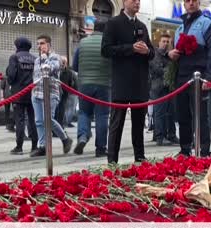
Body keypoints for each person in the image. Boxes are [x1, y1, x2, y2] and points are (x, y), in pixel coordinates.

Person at [102, 0, 155, 163]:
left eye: (139, 0)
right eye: (133, 0)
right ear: (124, 2)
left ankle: (139, 156)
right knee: (117, 123)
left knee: (139, 123)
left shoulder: (142, 26)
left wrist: (147, 51)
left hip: (140, 82)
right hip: (122, 82)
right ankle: (112, 160)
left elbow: (152, 53)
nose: (137, 3)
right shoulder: (113, 23)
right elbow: (105, 50)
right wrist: (130, 48)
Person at [168, 0, 211, 156]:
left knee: (201, 116)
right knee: (182, 115)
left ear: (198, 3)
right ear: (184, 4)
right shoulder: (179, 28)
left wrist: (209, 77)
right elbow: (176, 53)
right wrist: (171, 54)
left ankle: (204, 151)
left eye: (194, 1)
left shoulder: (207, 23)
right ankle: (185, 149)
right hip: (182, 77)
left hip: (199, 76)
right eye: (187, 1)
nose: (191, 3)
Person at [73, 21, 111, 157]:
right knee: (102, 115)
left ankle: (82, 136)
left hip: (84, 85)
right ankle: (100, 148)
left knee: (84, 112)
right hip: (104, 85)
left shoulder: (82, 43)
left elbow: (75, 65)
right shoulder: (108, 45)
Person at [31, 34, 73, 156]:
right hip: (36, 93)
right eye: (38, 44)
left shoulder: (56, 57)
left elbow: (51, 69)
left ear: (49, 44)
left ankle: (65, 139)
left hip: (50, 93)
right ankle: (42, 146)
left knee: (48, 120)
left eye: (42, 43)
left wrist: (45, 58)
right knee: (39, 121)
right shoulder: (36, 60)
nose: (39, 46)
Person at [6, 37, 39, 156]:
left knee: (19, 120)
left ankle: (19, 147)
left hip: (18, 94)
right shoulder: (35, 59)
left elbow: (11, 75)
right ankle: (35, 146)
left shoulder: (14, 57)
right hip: (32, 93)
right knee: (33, 120)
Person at [150, 33, 179, 146]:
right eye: (164, 41)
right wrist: (169, 71)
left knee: (171, 113)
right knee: (160, 113)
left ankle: (172, 135)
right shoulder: (155, 54)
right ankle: (160, 137)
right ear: (159, 42)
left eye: (168, 42)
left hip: (171, 88)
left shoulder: (172, 55)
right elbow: (156, 68)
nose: (166, 44)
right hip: (159, 88)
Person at [58, 56, 78, 128]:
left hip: (65, 94)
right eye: (62, 62)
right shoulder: (58, 71)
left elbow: (70, 82)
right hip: (59, 93)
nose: (63, 63)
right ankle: (61, 124)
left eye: (64, 62)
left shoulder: (69, 72)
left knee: (63, 109)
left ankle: (62, 124)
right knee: (61, 110)